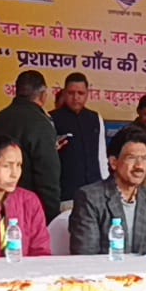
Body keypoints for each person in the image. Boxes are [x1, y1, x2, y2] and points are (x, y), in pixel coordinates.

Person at [69, 127, 146, 255]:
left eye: (145, 159)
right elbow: (86, 256)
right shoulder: (89, 197)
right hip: (104, 268)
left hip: (144, 269)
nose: (139, 166)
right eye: (131, 158)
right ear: (113, 162)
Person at [0, 70, 62, 222]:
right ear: (43, 95)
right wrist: (51, 215)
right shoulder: (40, 124)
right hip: (29, 210)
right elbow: (47, 174)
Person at [52, 71, 108, 204]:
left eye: (80, 93)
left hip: (95, 192)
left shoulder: (95, 118)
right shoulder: (52, 119)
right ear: (64, 93)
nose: (76, 97)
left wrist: (106, 185)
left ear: (87, 94)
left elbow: (101, 156)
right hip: (67, 194)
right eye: (71, 93)